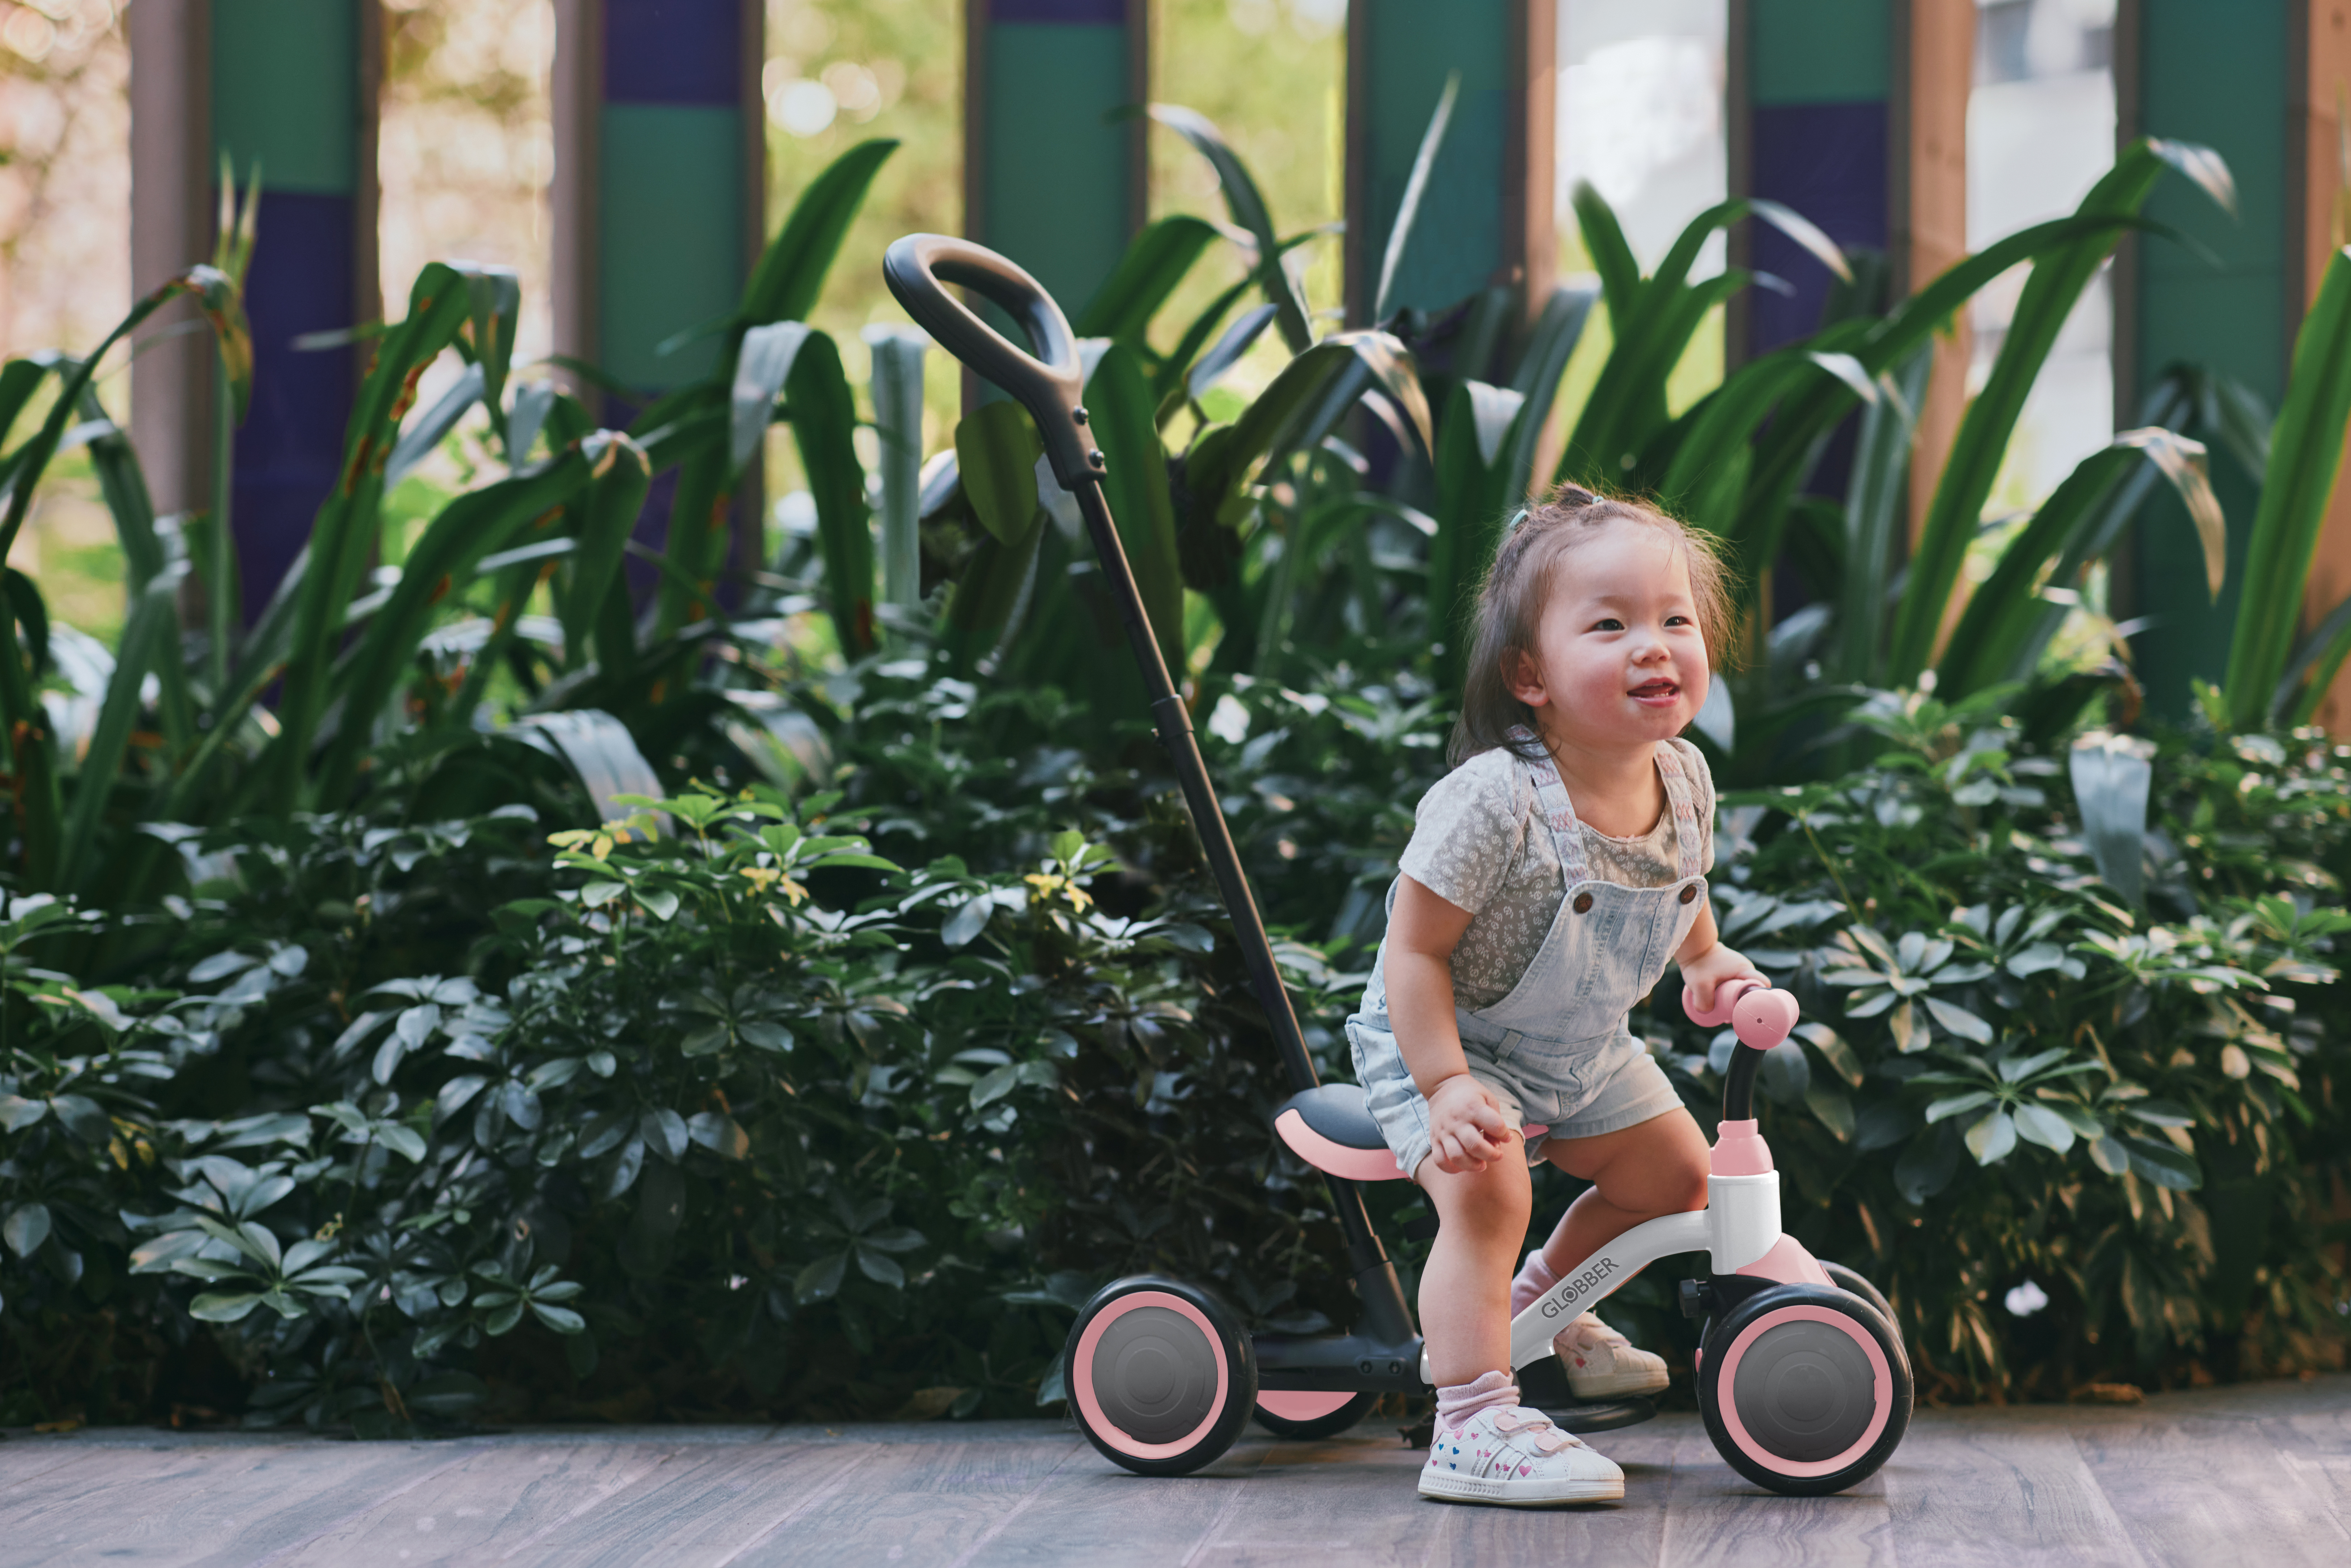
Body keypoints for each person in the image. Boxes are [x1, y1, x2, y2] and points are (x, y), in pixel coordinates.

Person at [1347, 484, 1764, 1507]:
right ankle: (1473, 1422)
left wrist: (1705, 960)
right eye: (1610, 624)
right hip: (1450, 1041)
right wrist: (1445, 1085)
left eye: (1675, 619)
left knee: (1671, 1174)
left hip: (1583, 1048)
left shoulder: (1684, 778)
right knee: (1491, 1189)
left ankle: (1541, 1310)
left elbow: (1682, 889)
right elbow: (1412, 954)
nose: (1653, 645)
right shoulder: (1490, 802)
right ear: (1528, 675)